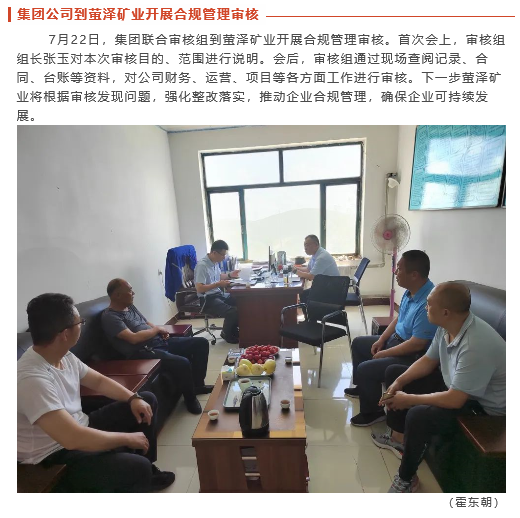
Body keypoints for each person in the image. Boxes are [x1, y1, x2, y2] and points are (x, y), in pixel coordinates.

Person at [17, 293, 175, 493]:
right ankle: (140, 472)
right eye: (80, 322)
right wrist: (126, 438)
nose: (82, 326)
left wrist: (133, 398)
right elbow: (72, 438)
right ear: (65, 334)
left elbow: (99, 381)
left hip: (80, 426)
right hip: (54, 454)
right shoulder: (31, 379)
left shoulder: (62, 354)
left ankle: (147, 472)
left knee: (146, 401)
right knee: (137, 467)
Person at [374, 282, 506, 493]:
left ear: (445, 312)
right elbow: (428, 360)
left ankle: (406, 478)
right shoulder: (447, 326)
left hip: (485, 409)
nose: (426, 307)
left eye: (429, 304)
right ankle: (400, 440)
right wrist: (399, 383)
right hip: (459, 387)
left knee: (418, 415)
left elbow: (455, 399)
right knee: (395, 373)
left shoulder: (475, 344)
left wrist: (408, 399)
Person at [345, 250, 438, 426]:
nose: (395, 272)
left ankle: (373, 412)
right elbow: (398, 318)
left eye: (399, 269)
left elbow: (417, 344)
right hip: (396, 340)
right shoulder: (410, 291)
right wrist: (381, 339)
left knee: (366, 368)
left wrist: (386, 352)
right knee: (359, 343)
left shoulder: (428, 302)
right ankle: (362, 387)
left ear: (414, 275)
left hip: (411, 355)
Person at [101, 279, 212, 415]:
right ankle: (190, 399)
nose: (133, 293)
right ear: (117, 295)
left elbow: (147, 323)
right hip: (142, 352)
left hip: (157, 342)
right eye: (129, 290)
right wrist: (157, 330)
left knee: (201, 343)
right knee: (182, 362)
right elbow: (133, 338)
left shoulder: (130, 307)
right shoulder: (110, 317)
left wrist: (161, 331)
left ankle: (198, 385)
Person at [194, 239, 240, 344]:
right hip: (207, 298)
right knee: (232, 312)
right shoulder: (202, 265)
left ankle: (233, 330)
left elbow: (218, 276)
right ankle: (226, 333)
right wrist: (218, 284)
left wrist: (230, 275)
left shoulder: (215, 262)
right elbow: (199, 288)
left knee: (240, 302)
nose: (224, 258)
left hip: (218, 294)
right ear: (214, 253)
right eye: (223, 255)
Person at [294, 234, 340, 303]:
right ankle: (309, 310)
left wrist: (295, 271)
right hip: (325, 286)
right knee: (303, 294)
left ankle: (312, 310)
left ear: (315, 245)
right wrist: (295, 268)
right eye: (304, 245)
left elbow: (311, 277)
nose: (305, 248)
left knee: (304, 295)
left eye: (307, 245)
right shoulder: (315, 254)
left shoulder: (322, 257)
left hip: (331, 290)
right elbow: (308, 269)